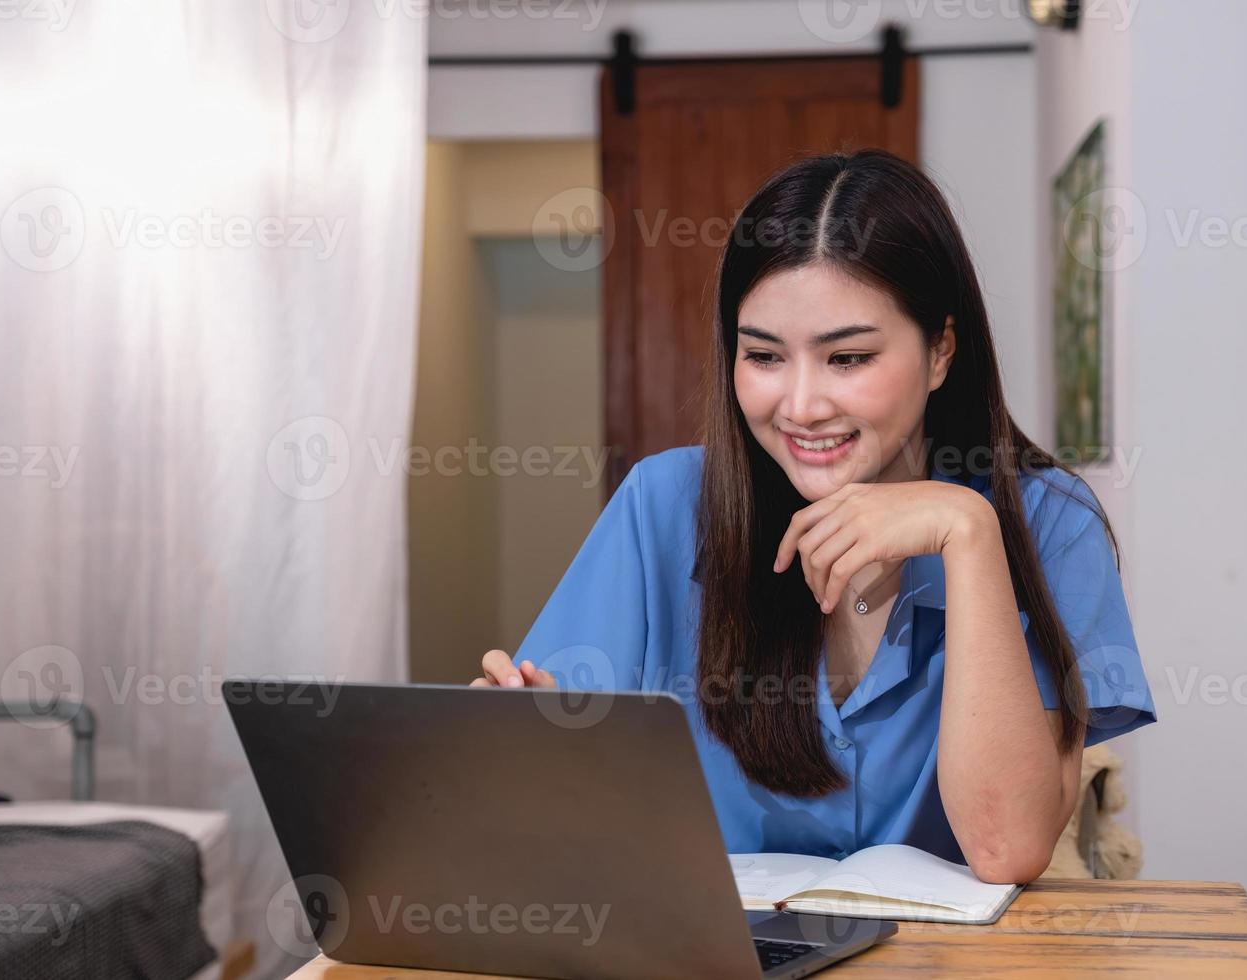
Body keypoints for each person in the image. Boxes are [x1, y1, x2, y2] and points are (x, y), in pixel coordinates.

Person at [471, 149, 1155, 884]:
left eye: (847, 359)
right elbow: (556, 802)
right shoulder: (661, 507)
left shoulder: (1047, 525)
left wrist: (967, 533)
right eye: (764, 356)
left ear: (940, 351)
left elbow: (1006, 848)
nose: (799, 407)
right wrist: (521, 748)